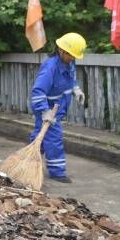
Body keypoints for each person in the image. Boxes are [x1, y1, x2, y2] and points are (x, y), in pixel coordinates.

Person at [29, 32, 86, 183]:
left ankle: (30, 160)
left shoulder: (69, 62)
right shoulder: (50, 67)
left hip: (57, 107)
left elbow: (71, 79)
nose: (73, 58)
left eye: (75, 56)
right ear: (61, 50)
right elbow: (38, 91)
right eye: (71, 55)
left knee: (41, 134)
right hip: (46, 107)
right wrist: (44, 111)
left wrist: (76, 89)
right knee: (54, 137)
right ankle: (57, 172)